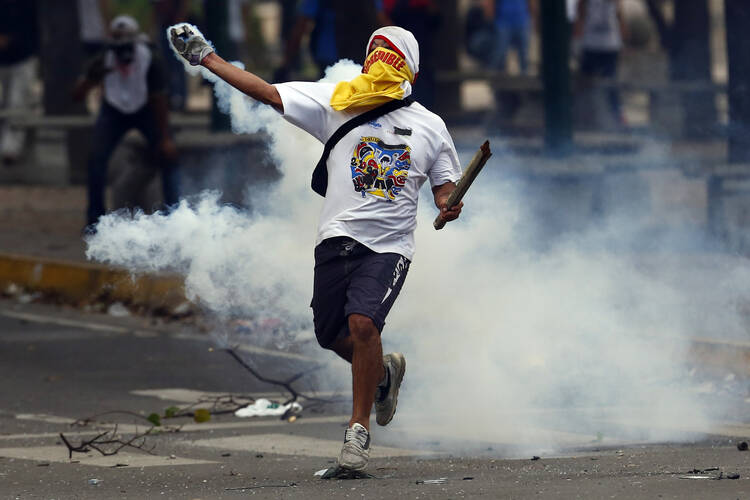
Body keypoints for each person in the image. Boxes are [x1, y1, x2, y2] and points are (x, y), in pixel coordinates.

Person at [170, 24, 464, 471]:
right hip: (336, 241)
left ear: (413, 73)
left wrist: (448, 205)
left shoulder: (430, 126)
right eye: (376, 54)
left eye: (391, 55)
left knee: (363, 323)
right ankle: (383, 373)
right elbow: (268, 93)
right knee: (332, 334)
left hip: (388, 248)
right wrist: (206, 58)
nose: (381, 62)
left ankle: (357, 434)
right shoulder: (337, 101)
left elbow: (444, 190)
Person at [74, 15, 179, 229]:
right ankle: (95, 219)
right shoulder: (104, 57)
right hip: (113, 109)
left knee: (168, 156)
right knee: (96, 160)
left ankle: (174, 216)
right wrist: (91, 78)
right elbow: (76, 95)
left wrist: (165, 137)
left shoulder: (150, 58)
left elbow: (160, 99)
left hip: (146, 108)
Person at [575, 0, 627, 122]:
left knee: (611, 81)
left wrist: (623, 38)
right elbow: (580, 12)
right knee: (585, 81)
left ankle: (617, 114)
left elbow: (619, 13)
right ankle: (583, 114)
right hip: (591, 43)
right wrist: (577, 36)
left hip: (610, 43)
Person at [0, 0, 38, 165]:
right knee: (7, 103)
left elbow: (31, 22)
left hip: (23, 55)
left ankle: (11, 149)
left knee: (17, 102)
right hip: (5, 58)